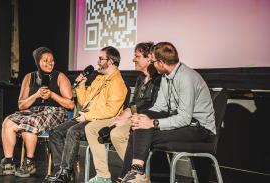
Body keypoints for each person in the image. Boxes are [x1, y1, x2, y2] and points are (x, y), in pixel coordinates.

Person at [120, 42, 216, 183]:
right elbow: (159, 107)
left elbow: (184, 118)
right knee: (141, 123)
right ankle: (134, 173)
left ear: (162, 62)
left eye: (153, 62)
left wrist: (152, 122)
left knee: (147, 126)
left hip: (200, 129)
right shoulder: (166, 76)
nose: (152, 65)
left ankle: (134, 173)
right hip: (184, 124)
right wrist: (142, 117)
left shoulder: (186, 77)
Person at [45, 46, 128, 183]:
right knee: (55, 132)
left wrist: (87, 116)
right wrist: (81, 86)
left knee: (73, 131)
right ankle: (62, 171)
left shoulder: (118, 83)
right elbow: (85, 103)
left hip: (100, 120)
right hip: (86, 116)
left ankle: (65, 172)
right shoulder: (99, 78)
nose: (98, 62)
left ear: (111, 62)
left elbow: (111, 111)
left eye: (101, 59)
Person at [0, 47, 74, 177]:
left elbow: (70, 104)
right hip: (33, 110)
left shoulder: (60, 77)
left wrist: (52, 95)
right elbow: (21, 105)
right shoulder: (29, 77)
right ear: (37, 62)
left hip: (55, 111)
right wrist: (35, 95)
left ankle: (29, 162)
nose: (50, 63)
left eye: (52, 60)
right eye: (45, 60)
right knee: (8, 121)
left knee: (30, 122)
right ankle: (8, 163)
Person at [85, 42, 162, 183]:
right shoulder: (140, 79)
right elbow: (134, 104)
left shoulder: (159, 79)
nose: (133, 59)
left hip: (145, 119)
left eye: (137, 56)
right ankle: (105, 176)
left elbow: (151, 105)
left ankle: (135, 174)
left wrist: (127, 117)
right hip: (132, 116)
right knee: (91, 128)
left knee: (117, 134)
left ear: (148, 59)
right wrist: (123, 116)